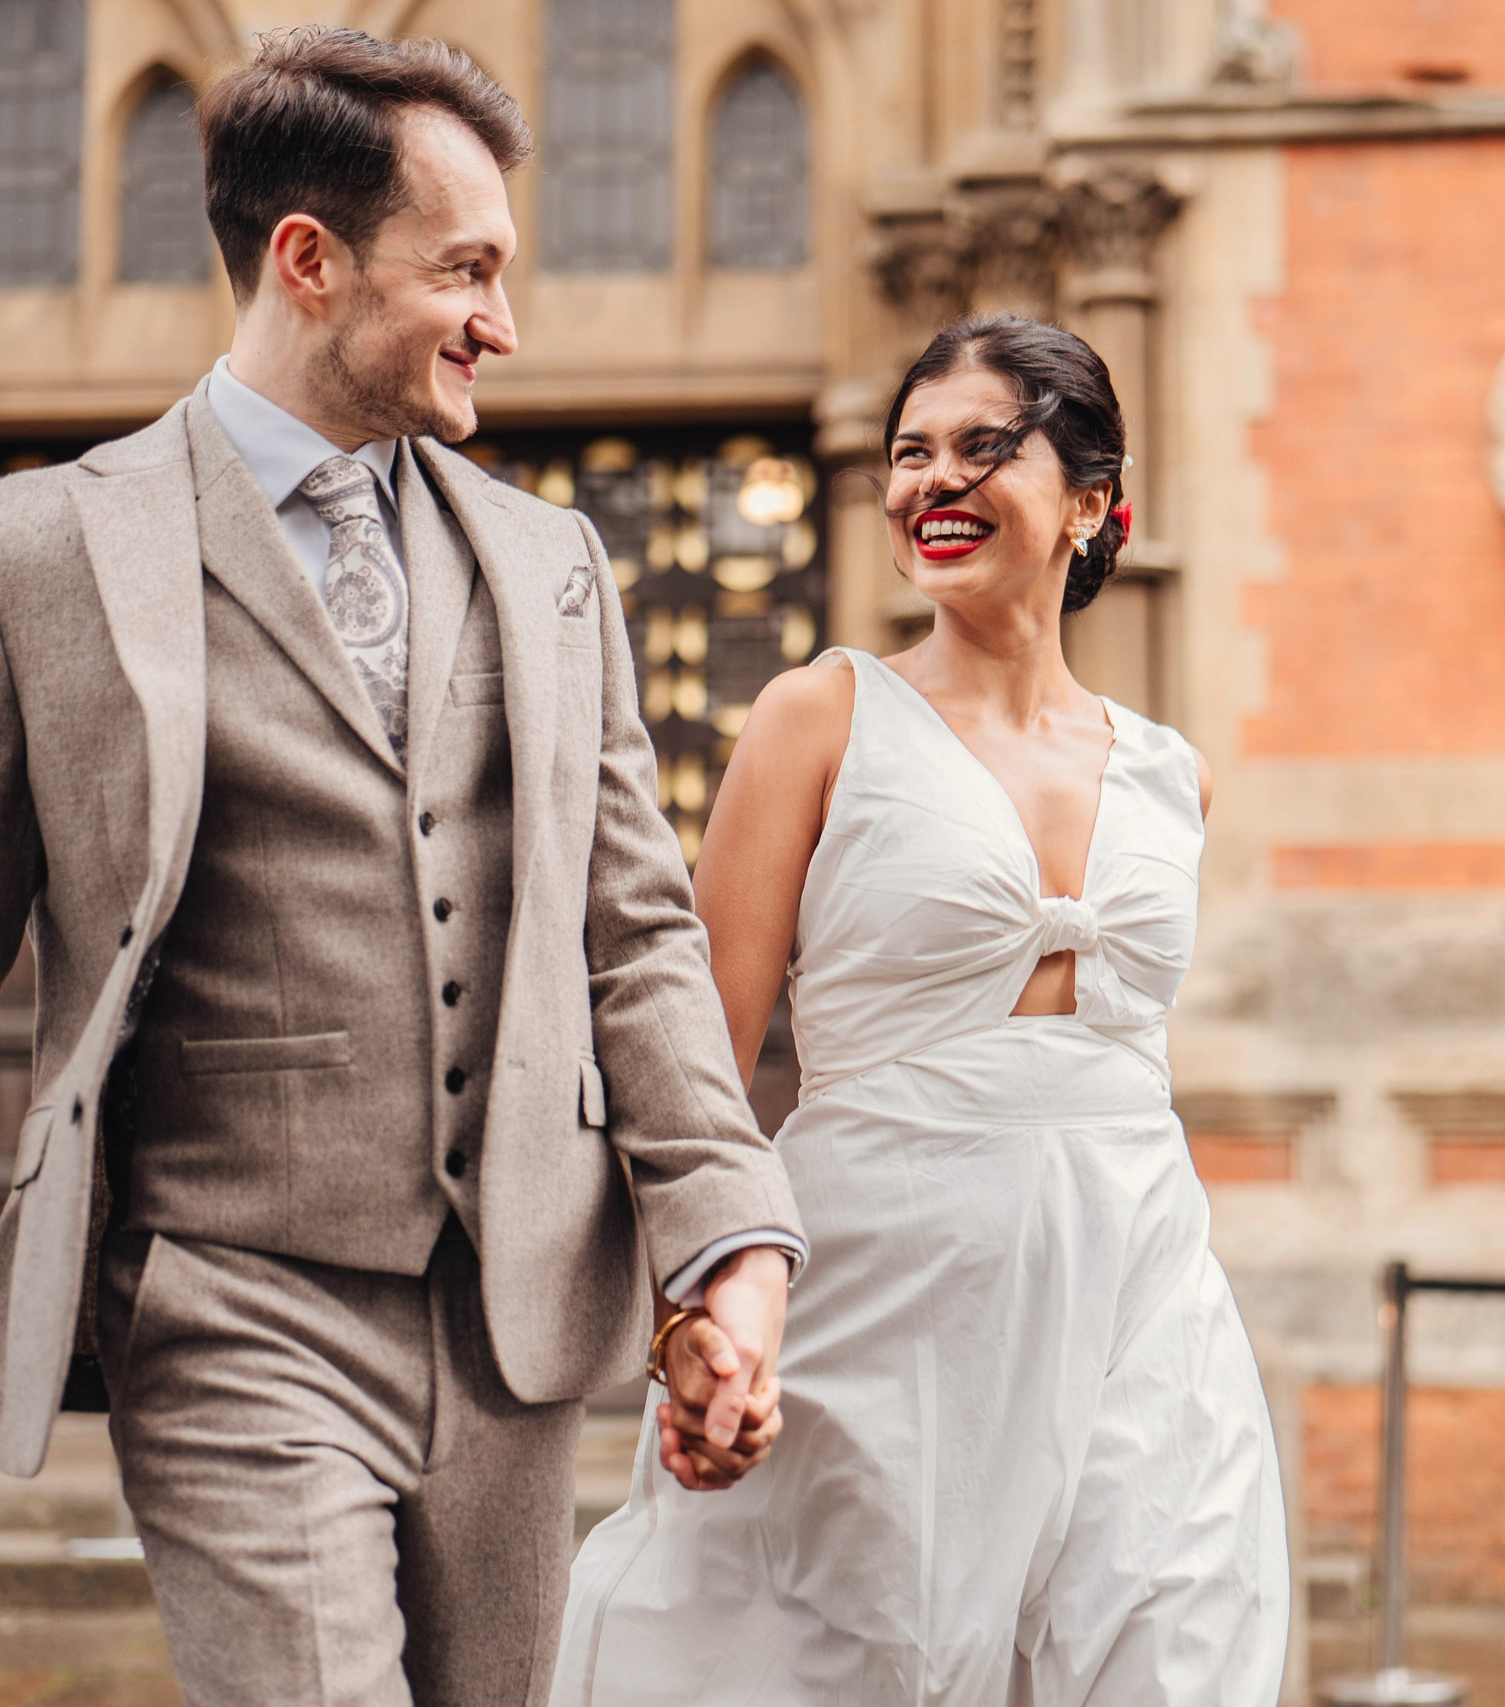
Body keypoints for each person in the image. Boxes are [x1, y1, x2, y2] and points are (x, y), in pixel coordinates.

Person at [0, 29, 804, 1706]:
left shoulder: (554, 565)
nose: (504, 318)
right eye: (466, 269)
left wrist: (728, 1245)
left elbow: (631, 941)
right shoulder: (32, 557)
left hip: (516, 1328)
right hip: (228, 1311)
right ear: (310, 261)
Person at [552, 315, 1289, 1704]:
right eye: (909, 452)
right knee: (849, 1658)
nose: (929, 483)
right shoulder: (819, 718)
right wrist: (693, 1316)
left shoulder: (1173, 777)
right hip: (874, 1299)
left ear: (1090, 499)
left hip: (1138, 1289)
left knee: (1173, 1641)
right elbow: (695, 1056)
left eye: (981, 448)